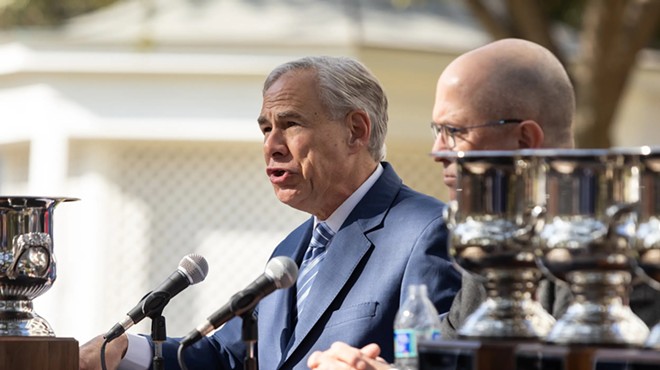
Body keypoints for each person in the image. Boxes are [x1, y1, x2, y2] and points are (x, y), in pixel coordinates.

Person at [78, 56, 461, 370]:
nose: (272, 145)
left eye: (291, 124)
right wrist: (128, 350)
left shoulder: (428, 232)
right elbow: (229, 356)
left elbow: (445, 361)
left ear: (356, 131)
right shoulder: (290, 251)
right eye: (265, 128)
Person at [307, 38, 660, 370]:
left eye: (455, 132)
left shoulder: (618, 253)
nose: (438, 152)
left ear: (524, 139)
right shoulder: (492, 249)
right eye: (436, 131)